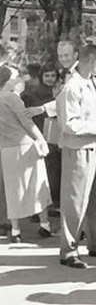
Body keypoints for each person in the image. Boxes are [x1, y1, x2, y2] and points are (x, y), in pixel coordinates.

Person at [56, 44, 96, 269]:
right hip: (79, 147)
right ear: (92, 61)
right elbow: (69, 125)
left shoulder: (92, 82)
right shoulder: (72, 87)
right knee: (75, 199)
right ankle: (68, 250)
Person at [0, 65, 52, 242]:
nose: (19, 79)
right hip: (25, 146)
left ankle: (15, 230)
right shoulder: (13, 98)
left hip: (6, 148)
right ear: (8, 82)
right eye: (15, 77)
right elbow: (27, 122)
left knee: (12, 189)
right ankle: (45, 225)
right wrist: (41, 140)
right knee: (38, 185)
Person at [22, 63, 62, 212]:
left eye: (53, 76)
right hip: (39, 133)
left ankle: (53, 202)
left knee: (55, 170)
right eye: (47, 76)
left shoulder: (60, 91)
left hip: (56, 134)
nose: (50, 79)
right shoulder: (32, 93)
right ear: (41, 77)